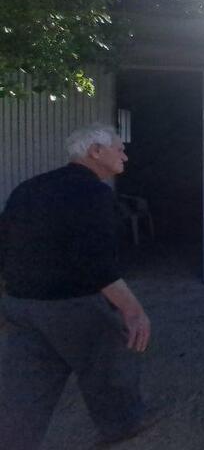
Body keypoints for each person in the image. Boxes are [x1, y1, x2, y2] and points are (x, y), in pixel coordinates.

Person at [0, 123, 154, 449]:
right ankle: (123, 427)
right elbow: (97, 262)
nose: (125, 154)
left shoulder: (28, 188)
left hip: (20, 304)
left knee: (25, 390)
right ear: (95, 152)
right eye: (118, 148)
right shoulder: (95, 194)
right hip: (72, 305)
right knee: (109, 363)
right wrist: (133, 310)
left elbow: (4, 244)